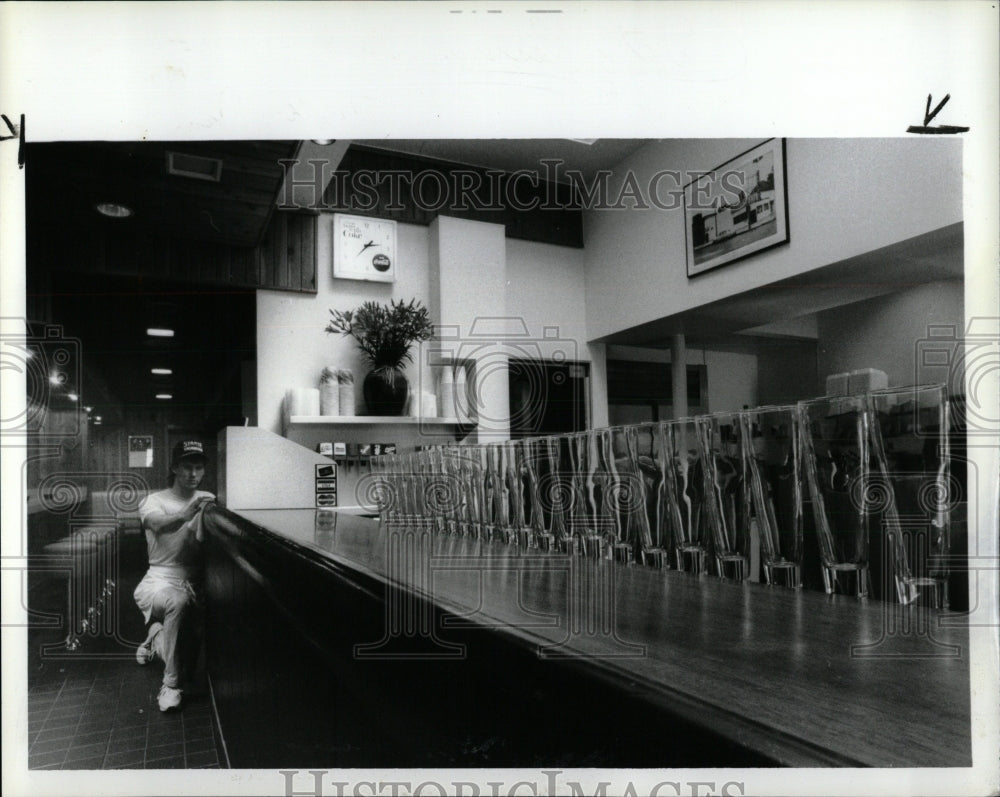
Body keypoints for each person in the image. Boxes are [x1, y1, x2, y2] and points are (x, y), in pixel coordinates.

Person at [134, 439, 215, 712]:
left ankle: (155, 636)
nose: (193, 474)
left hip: (195, 582)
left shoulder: (208, 499)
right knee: (177, 602)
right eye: (187, 467)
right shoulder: (153, 501)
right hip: (159, 581)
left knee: (188, 659)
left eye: (199, 468)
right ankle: (169, 685)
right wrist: (185, 514)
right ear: (174, 468)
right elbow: (157, 524)